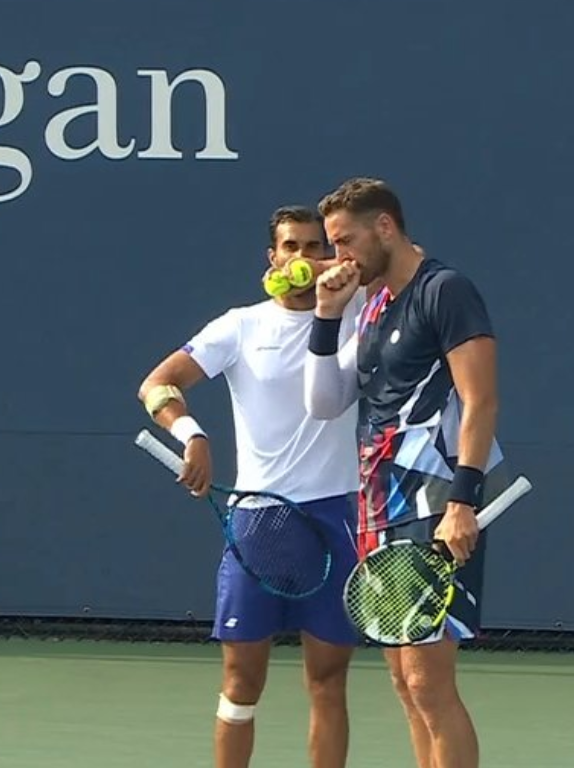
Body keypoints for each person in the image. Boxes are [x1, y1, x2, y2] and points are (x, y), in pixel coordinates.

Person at [136, 205, 366, 768]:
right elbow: (158, 385)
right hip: (261, 522)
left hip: (339, 516)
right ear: (273, 257)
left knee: (328, 680)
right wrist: (191, 436)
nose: (305, 258)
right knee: (241, 682)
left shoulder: (361, 314)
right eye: (293, 247)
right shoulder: (240, 326)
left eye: (317, 247)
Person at [304, 177, 505, 768]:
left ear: (384, 227)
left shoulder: (446, 290)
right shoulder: (371, 306)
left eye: (344, 241)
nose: (338, 257)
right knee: (402, 679)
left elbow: (480, 400)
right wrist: (326, 315)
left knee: (427, 680)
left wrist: (463, 501)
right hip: (378, 501)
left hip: (434, 498)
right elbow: (326, 401)